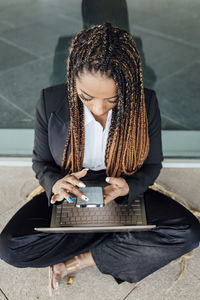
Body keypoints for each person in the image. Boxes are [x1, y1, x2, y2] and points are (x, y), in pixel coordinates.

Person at [0, 23, 199, 294]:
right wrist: (56, 184)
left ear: (127, 87)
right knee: (10, 248)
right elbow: (40, 162)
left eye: (112, 100)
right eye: (87, 97)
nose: (98, 108)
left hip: (121, 188)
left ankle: (79, 259)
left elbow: (153, 165)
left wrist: (129, 187)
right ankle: (119, 237)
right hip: (73, 192)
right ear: (73, 81)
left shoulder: (145, 102)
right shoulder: (50, 100)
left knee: (188, 232)